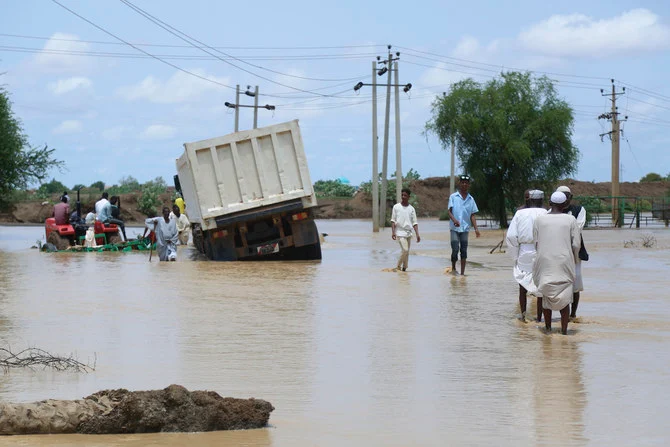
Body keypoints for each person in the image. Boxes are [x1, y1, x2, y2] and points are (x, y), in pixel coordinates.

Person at [532, 191, 581, 335]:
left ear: (550, 203)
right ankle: (564, 332)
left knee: (546, 294)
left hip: (545, 260)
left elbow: (535, 242)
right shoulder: (570, 219)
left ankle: (547, 329)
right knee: (565, 296)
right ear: (565, 204)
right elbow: (576, 244)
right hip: (564, 261)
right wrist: (574, 259)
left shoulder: (539, 220)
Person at [506, 190, 547, 322]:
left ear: (529, 200)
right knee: (541, 286)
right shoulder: (546, 213)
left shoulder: (519, 213)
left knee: (522, 285)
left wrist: (515, 255)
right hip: (542, 250)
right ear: (541, 201)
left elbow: (512, 236)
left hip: (524, 250)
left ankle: (523, 316)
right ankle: (540, 318)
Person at [556, 185, 586, 319]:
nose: (564, 200)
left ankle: (573, 315)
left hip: (575, 252)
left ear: (570, 197)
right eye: (561, 196)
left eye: (566, 197)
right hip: (556, 252)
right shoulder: (551, 212)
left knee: (575, 283)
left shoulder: (579, 210)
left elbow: (577, 228)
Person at [447, 174, 480, 275]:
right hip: (454, 228)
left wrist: (476, 229)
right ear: (460, 184)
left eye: (466, 183)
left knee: (464, 250)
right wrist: (454, 220)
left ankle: (462, 274)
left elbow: (472, 215)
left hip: (465, 229)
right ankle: (453, 268)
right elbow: (449, 211)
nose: (464, 184)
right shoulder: (453, 197)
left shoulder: (471, 199)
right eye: (463, 183)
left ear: (468, 185)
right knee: (455, 248)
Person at [391, 188, 421, 271]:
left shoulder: (411, 209)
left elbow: (415, 223)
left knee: (406, 253)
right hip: (399, 232)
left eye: (405, 195)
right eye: (402, 195)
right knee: (405, 250)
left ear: (409, 197)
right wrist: (393, 232)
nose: (403, 197)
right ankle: (397, 266)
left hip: (408, 233)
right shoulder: (396, 207)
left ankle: (404, 269)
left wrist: (417, 234)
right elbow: (393, 221)